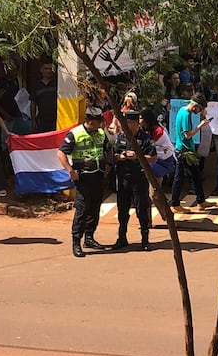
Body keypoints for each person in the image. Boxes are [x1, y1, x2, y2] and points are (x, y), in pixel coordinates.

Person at [57, 107, 112, 258]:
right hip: (83, 178)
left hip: (98, 177)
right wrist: (70, 171)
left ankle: (89, 237)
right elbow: (61, 153)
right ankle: (76, 242)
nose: (100, 125)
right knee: (82, 210)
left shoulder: (100, 133)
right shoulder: (75, 134)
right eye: (97, 122)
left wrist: (108, 165)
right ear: (90, 121)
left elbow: (108, 149)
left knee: (94, 208)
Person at [111, 110, 157, 252]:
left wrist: (137, 156)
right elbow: (115, 155)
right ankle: (122, 238)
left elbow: (153, 158)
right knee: (122, 209)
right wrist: (121, 156)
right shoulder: (121, 137)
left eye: (128, 123)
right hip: (124, 178)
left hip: (139, 179)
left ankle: (145, 239)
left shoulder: (145, 138)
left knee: (141, 209)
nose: (125, 126)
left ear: (135, 123)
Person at [170, 94, 213, 213]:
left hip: (187, 149)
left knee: (196, 176)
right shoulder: (186, 114)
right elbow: (187, 134)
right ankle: (174, 203)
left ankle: (201, 200)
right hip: (183, 151)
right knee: (179, 178)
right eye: (199, 109)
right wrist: (200, 126)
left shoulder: (183, 111)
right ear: (195, 106)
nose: (199, 112)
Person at [140, 107, 176, 181]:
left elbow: (148, 146)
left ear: (146, 119)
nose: (139, 120)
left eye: (140, 118)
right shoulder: (144, 129)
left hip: (164, 161)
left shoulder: (157, 131)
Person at [30, 62, 58, 133]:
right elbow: (33, 104)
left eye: (50, 69)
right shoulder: (36, 86)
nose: (48, 71)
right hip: (42, 120)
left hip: (56, 119)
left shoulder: (57, 84)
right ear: (41, 70)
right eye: (46, 69)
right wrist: (33, 121)